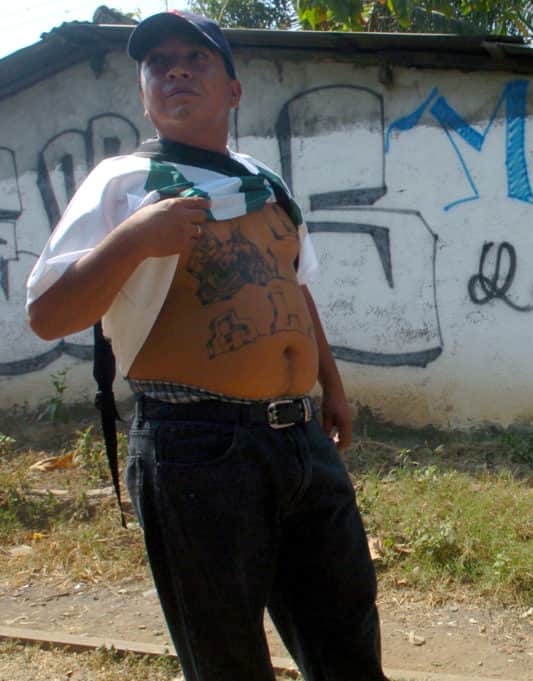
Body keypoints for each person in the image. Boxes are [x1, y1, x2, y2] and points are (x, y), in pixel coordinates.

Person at [25, 11, 388, 681]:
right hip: (196, 444)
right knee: (227, 659)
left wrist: (331, 388)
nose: (176, 69)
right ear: (144, 94)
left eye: (195, 57)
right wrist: (136, 236)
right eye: (158, 63)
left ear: (233, 90)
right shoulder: (122, 183)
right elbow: (47, 313)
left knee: (346, 639)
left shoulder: (264, 182)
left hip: (300, 438)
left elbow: (295, 288)